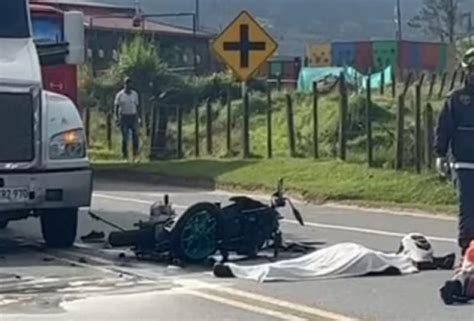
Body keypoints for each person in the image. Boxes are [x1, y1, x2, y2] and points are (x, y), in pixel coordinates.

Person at [435, 48, 474, 257]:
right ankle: (466, 250)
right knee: (468, 207)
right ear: (466, 71)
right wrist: (440, 154)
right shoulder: (457, 99)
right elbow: (444, 127)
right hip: (465, 162)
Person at [114, 77, 142, 162]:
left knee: (135, 137)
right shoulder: (120, 95)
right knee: (125, 137)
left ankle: (135, 155)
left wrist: (139, 117)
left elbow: (138, 106)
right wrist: (116, 117)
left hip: (133, 117)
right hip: (124, 117)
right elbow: (116, 107)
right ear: (124, 85)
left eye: (130, 84)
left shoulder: (135, 94)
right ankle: (125, 155)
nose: (128, 85)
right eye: (127, 84)